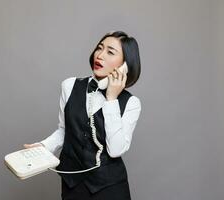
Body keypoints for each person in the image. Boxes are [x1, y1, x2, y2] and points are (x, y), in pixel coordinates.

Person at [24, 31, 141, 200]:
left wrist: (111, 99)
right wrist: (43, 147)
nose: (100, 55)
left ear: (125, 65)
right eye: (99, 48)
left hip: (110, 188)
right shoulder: (69, 85)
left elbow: (115, 150)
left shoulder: (131, 103)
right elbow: (64, 131)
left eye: (110, 52)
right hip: (73, 185)